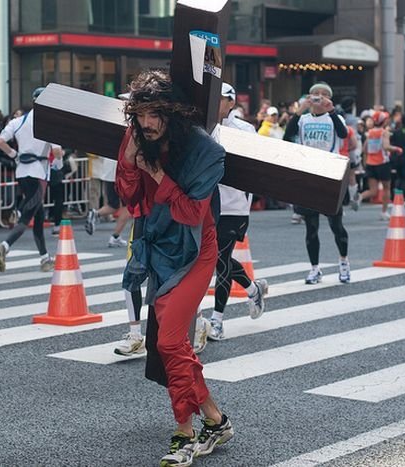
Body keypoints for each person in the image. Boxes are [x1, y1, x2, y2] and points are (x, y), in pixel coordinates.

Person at [116, 70, 232, 466]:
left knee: (167, 343)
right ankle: (215, 420)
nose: (146, 123)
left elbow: (189, 213)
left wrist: (156, 173)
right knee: (173, 344)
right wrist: (131, 164)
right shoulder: (135, 138)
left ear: (173, 114)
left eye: (154, 115)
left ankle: (184, 432)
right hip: (159, 250)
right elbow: (130, 198)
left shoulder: (202, 151)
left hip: (196, 251)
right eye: (141, 114)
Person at [205, 82, 268, 342]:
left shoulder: (244, 130)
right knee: (213, 258)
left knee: (220, 261)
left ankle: (217, 320)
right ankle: (253, 289)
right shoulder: (205, 128)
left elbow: (253, 166)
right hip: (208, 203)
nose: (216, 103)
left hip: (235, 206)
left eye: (221, 99)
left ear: (231, 103)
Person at [283, 82, 351, 284]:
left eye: (323, 95)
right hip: (309, 175)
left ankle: (344, 262)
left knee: (336, 225)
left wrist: (331, 111)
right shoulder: (303, 119)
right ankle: (314, 268)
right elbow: (288, 136)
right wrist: (299, 110)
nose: (319, 98)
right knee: (310, 227)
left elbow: (343, 134)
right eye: (315, 94)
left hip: (330, 175)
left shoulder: (335, 118)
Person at [0, 87, 61, 273]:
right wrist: (59, 164)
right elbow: (56, 151)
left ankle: (45, 258)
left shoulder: (19, 120)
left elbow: (0, 142)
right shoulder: (49, 124)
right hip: (39, 172)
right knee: (28, 216)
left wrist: (15, 155)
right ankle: (4, 246)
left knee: (38, 216)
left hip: (22, 171)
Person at [358, 111, 402, 220]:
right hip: (382, 163)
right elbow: (386, 146)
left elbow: (364, 149)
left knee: (373, 190)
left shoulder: (370, 132)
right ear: (384, 121)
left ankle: (359, 197)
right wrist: (397, 149)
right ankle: (384, 212)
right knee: (386, 188)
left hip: (370, 163)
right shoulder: (384, 132)